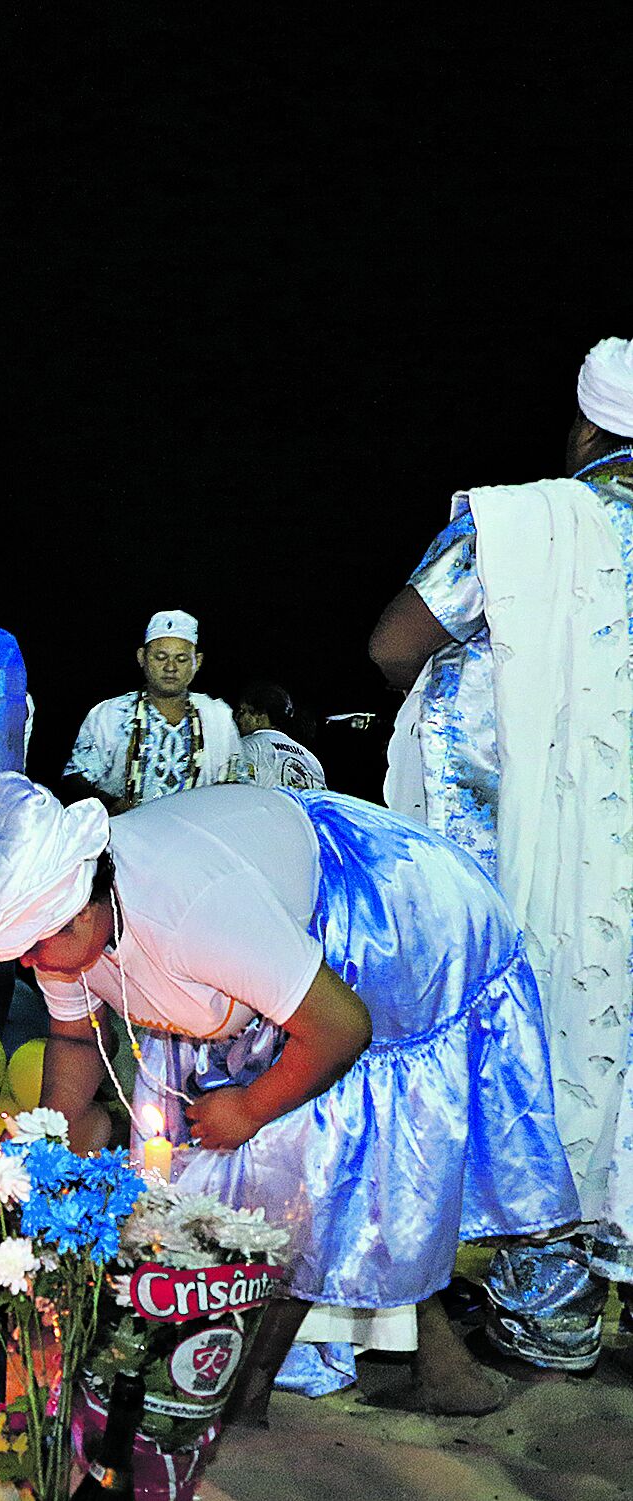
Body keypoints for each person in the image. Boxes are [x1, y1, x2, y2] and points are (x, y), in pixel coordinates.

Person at [0, 773, 580, 1416]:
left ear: (87, 903)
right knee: (189, 1156)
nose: (35, 963)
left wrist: (251, 1107)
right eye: (22, 953)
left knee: (315, 1156)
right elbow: (73, 1040)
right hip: (257, 949)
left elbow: (341, 1027)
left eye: (40, 944)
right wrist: (42, 1154)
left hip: (385, 905)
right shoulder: (68, 931)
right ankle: (234, 1360)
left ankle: (282, 1386)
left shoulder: (194, 914)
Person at [368, 335, 633, 1376]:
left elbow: (396, 641)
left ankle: (549, 1307)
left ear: (582, 426)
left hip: (529, 844)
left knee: (530, 1032)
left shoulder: (520, 524)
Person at [61, 609, 240, 811]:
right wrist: (110, 803)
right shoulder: (109, 714)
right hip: (125, 836)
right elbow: (75, 780)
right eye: (160, 657)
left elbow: (237, 783)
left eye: (181, 659)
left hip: (197, 837)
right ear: (142, 658)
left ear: (197, 662)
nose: (170, 667)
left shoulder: (218, 716)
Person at [231, 681, 326, 791]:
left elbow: (240, 791)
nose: (238, 718)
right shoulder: (312, 760)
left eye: (243, 711)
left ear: (259, 716)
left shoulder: (247, 746)